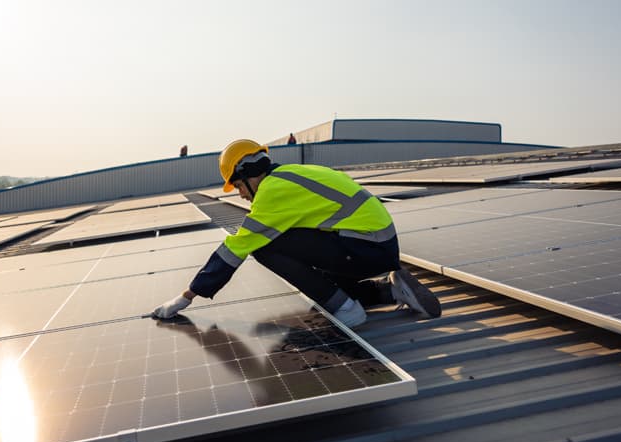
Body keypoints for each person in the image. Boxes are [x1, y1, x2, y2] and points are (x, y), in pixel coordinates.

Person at [153, 139, 441, 328]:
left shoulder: (272, 191)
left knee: (265, 246)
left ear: (248, 174)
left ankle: (348, 310)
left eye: (238, 186)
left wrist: (186, 296)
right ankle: (390, 289)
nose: (241, 195)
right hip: (376, 246)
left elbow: (235, 248)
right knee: (315, 278)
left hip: (366, 247)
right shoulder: (293, 174)